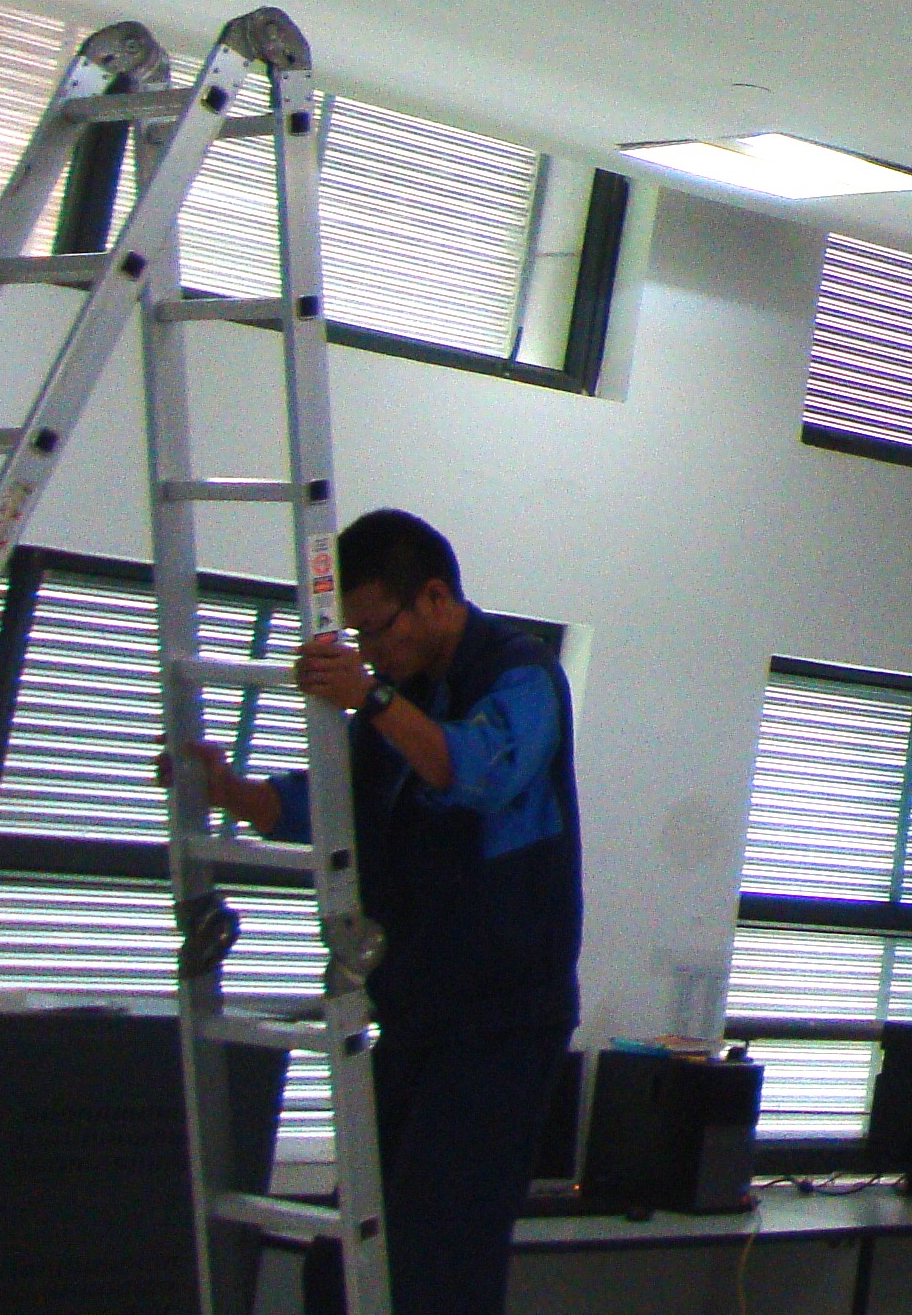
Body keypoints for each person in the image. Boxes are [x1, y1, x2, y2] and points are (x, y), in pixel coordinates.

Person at [178, 508, 581, 1315]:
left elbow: (475, 770)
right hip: (415, 1012)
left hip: (501, 1022)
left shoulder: (520, 672)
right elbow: (332, 806)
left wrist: (372, 695)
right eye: (357, 637)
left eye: (376, 630)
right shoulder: (402, 699)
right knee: (347, 1263)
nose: (370, 650)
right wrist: (232, 792)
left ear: (434, 598)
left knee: (436, 1263)